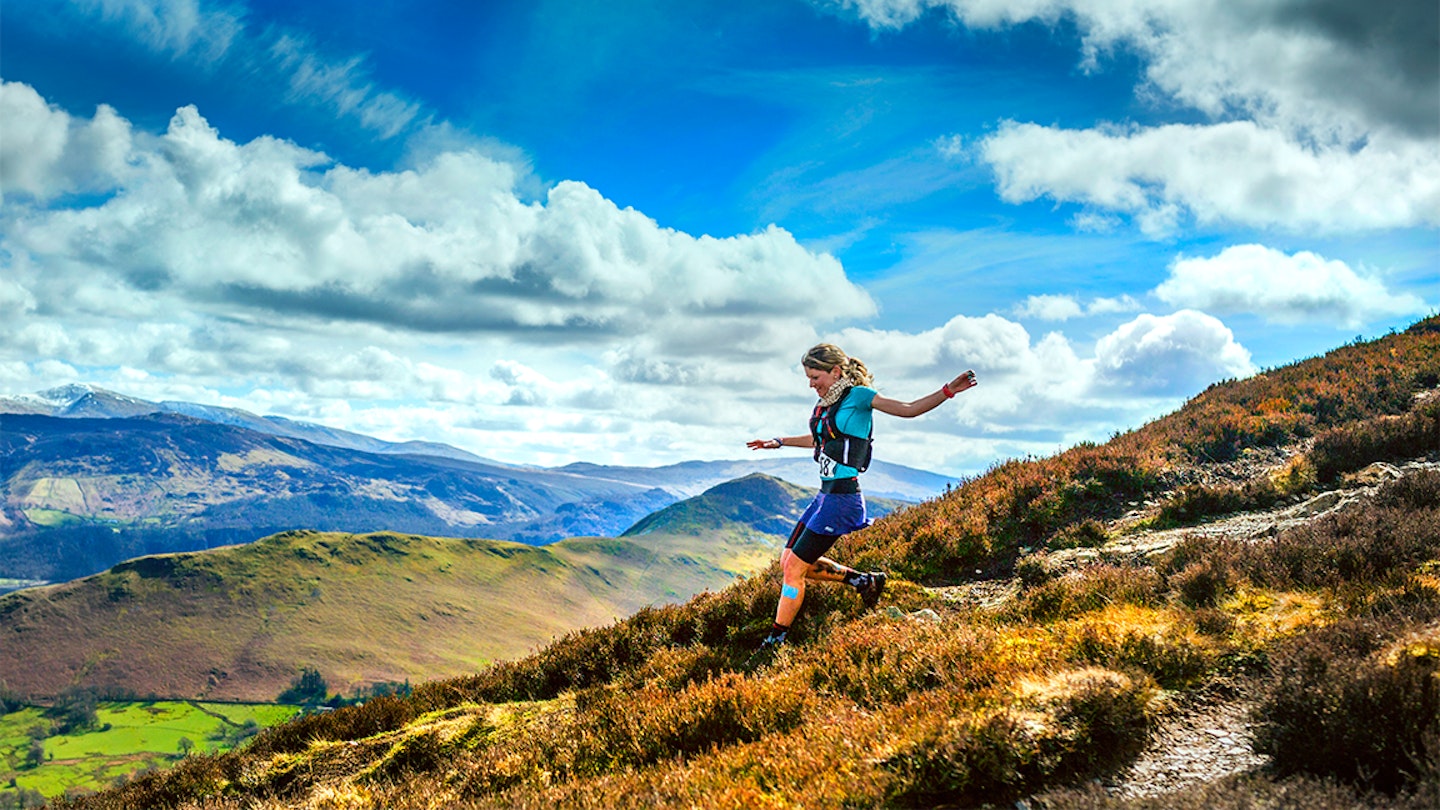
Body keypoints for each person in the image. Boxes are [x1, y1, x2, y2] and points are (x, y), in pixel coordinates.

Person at [747, 343, 977, 649]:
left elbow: (908, 410)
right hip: (825, 495)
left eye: (815, 377)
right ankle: (864, 581)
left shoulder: (859, 397)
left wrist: (948, 391)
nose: (811, 384)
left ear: (836, 371)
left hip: (842, 499)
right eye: (808, 378)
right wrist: (779, 441)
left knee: (794, 569)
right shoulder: (827, 404)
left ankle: (776, 639)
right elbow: (819, 439)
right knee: (788, 560)